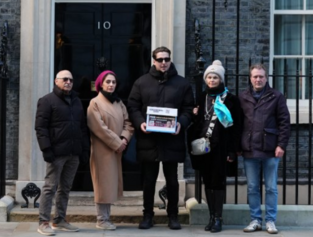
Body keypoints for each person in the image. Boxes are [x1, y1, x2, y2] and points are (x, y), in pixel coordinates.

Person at [127, 46, 195, 230]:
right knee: (148, 180)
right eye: (160, 59)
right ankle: (147, 215)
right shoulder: (141, 83)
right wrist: (141, 122)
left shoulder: (182, 84)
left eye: (166, 59)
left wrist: (181, 123)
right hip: (149, 140)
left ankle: (173, 215)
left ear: (170, 60)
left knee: (172, 180)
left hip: (172, 140)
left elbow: (189, 108)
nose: (163, 62)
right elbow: (132, 106)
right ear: (154, 61)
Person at [188, 60, 243, 233]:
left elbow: (236, 127)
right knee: (207, 182)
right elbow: (198, 123)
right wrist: (193, 114)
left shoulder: (231, 99)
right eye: (209, 77)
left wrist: (232, 151)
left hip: (221, 147)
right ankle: (211, 216)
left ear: (221, 79)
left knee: (218, 183)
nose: (212, 80)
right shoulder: (202, 97)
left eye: (215, 77)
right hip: (204, 147)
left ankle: (218, 218)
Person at [35, 70, 90, 236]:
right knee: (50, 187)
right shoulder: (46, 101)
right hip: (56, 152)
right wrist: (46, 149)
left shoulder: (77, 101)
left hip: (74, 152)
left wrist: (84, 149)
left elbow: (82, 127)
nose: (68, 82)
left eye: (71, 80)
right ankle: (43, 221)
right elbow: (41, 127)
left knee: (65, 188)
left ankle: (59, 219)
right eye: (65, 79)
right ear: (56, 81)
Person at [239, 64, 290, 234]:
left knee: (271, 188)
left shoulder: (276, 96)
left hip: (270, 149)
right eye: (255, 76)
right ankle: (255, 220)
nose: (258, 79)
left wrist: (281, 145)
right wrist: (238, 146)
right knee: (252, 187)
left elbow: (284, 122)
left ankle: (270, 220)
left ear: (266, 78)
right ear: (250, 78)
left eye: (261, 76)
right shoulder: (243, 97)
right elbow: (238, 123)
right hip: (250, 148)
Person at [87, 70, 134, 230]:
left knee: (110, 184)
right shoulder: (95, 103)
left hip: (117, 150)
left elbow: (128, 123)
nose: (111, 84)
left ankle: (106, 218)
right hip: (102, 150)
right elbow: (98, 128)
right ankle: (102, 219)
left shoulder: (119, 103)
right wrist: (116, 142)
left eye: (113, 82)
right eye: (108, 82)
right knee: (103, 184)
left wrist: (124, 139)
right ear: (101, 83)